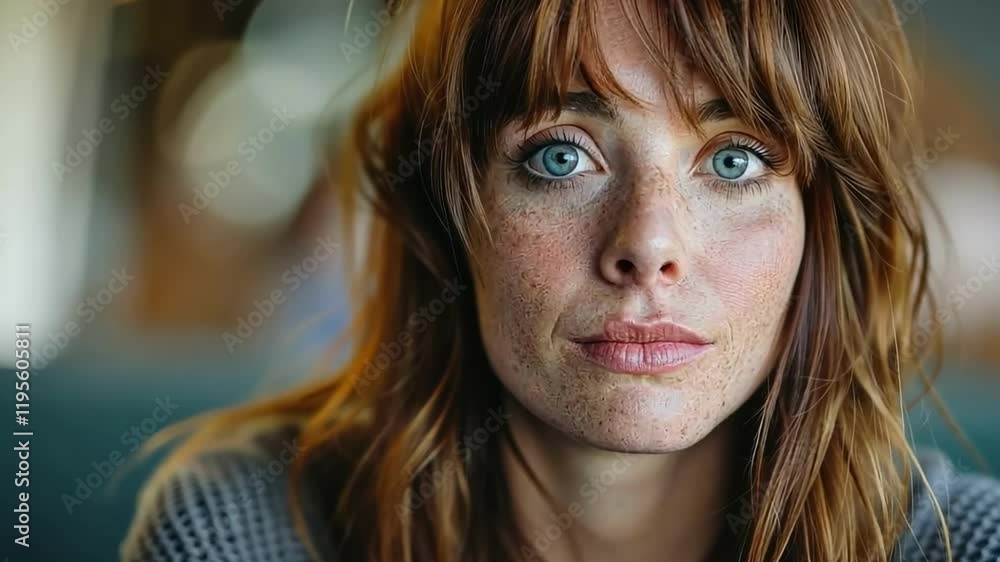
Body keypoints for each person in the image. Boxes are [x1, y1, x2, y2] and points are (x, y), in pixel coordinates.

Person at [121, 0, 1000, 561]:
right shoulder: (247, 533)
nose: (649, 245)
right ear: (446, 217)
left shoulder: (968, 547)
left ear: (824, 232)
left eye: (734, 160)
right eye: (559, 155)